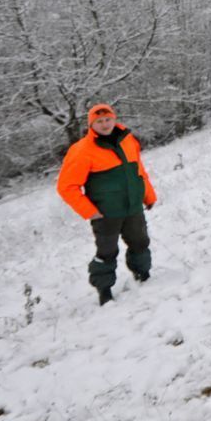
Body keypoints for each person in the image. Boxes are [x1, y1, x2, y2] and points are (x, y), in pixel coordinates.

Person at [56, 102, 158, 306]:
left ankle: (143, 275)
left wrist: (149, 195)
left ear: (114, 119)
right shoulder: (82, 150)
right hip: (105, 213)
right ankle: (104, 290)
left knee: (140, 242)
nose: (104, 124)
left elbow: (138, 171)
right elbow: (66, 186)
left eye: (108, 119)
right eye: (99, 121)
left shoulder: (128, 141)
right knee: (107, 252)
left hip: (133, 207)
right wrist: (90, 212)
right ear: (91, 125)